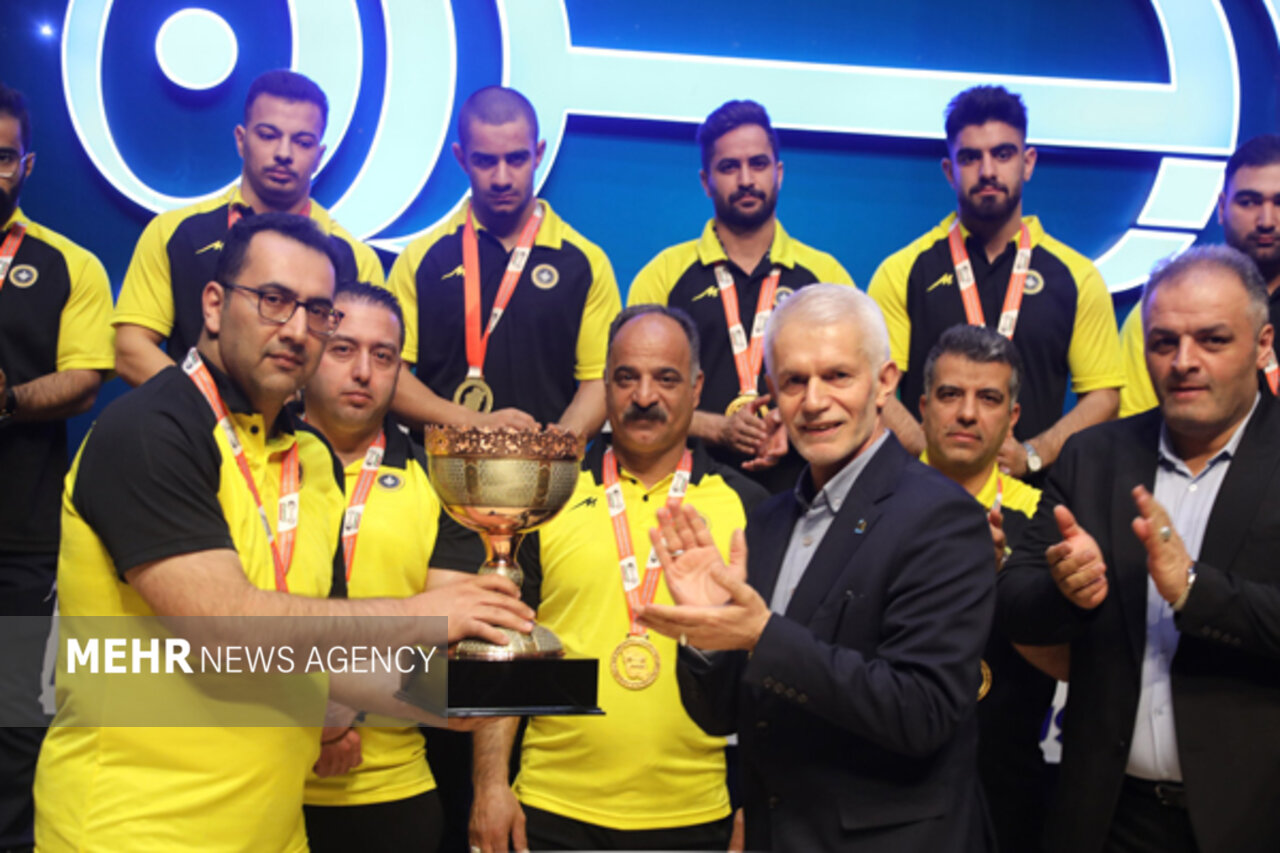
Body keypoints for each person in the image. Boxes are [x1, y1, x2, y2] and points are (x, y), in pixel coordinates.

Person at [34, 214, 532, 853]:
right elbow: (223, 629)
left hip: (275, 833)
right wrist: (423, 615)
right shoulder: (148, 430)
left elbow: (310, 661)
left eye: (317, 312)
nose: (297, 329)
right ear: (213, 305)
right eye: (273, 300)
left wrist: (471, 698)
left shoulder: (309, 459)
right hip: (134, 833)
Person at [639, 285, 996, 852]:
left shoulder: (942, 517)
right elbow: (723, 717)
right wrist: (709, 636)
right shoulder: (768, 520)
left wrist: (761, 636)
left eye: (837, 376)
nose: (813, 401)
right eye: (794, 381)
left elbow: (922, 713)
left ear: (884, 383)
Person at [998, 245, 1280, 853]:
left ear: (1263, 345)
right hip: (1106, 819)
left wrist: (1197, 592)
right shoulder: (1093, 455)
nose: (1184, 362)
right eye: (1163, 342)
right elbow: (1015, 601)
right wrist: (1065, 590)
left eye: (1212, 340)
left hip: (1255, 822)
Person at [459, 305, 766, 852]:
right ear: (605, 385)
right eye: (627, 378)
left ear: (697, 388)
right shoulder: (546, 501)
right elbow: (505, 647)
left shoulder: (749, 508)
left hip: (697, 816)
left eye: (665, 378)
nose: (644, 396)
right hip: (551, 809)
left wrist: (755, 804)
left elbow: (766, 672)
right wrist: (490, 786)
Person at [300, 282, 490, 852]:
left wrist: (333, 699)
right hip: (256, 783)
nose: (363, 371)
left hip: (392, 794)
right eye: (342, 349)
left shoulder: (440, 484)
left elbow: (449, 670)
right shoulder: (250, 458)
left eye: (383, 357)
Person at [868, 84, 1122, 481]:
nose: (987, 171)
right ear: (949, 171)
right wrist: (931, 455)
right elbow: (876, 388)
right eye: (970, 158)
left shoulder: (1076, 276)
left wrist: (1032, 455)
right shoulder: (902, 272)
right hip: (924, 497)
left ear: (1028, 163)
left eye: (1003, 154)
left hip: (1032, 497)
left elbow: (1104, 396)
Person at [628, 100, 853, 493]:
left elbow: (853, 389)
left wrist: (793, 422)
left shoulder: (826, 277)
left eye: (758, 164)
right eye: (729, 167)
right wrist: (717, 427)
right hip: (686, 493)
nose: (746, 179)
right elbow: (633, 396)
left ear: (778, 173)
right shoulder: (663, 276)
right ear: (706, 181)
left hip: (805, 491)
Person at [0, 82, 114, 853]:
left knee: (14, 714)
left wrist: (7, 398)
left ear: (28, 164)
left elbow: (84, 378)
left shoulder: (68, 263)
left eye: (3, 156)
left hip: (22, 533)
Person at [112, 69, 385, 387]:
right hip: (194, 418)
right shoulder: (175, 232)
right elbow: (130, 350)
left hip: (305, 419)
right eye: (268, 135)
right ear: (241, 141)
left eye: (302, 142)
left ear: (319, 155)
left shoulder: (357, 259)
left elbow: (365, 373)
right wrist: (209, 407)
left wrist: (294, 409)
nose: (284, 153)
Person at [387, 86, 621, 436]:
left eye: (516, 159)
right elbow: (389, 375)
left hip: (547, 469)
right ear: (461, 158)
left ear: (538, 154)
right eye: (485, 161)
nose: (501, 178)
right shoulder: (421, 260)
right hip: (437, 467)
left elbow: (599, 380)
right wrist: (476, 424)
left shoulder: (585, 263)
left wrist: (553, 448)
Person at [917, 324, 1064, 853]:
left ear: (1012, 417)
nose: (966, 413)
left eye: (988, 398)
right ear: (923, 407)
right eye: (950, 394)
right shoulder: (873, 505)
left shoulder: (1046, 522)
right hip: (889, 792)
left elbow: (1071, 661)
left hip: (1010, 790)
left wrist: (998, 582)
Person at [1119, 134, 1280, 415]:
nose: (1266, 221)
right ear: (1222, 207)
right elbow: (1139, 431)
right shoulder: (1164, 311)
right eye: (1248, 202)